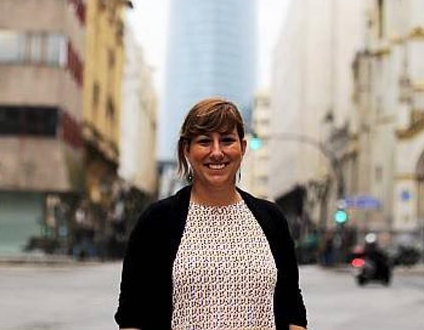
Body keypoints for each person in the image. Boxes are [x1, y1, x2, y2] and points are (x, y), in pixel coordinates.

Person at [115, 97, 308, 330]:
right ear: (187, 149)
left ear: (242, 148)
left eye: (227, 140)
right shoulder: (156, 221)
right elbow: (132, 315)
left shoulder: (271, 219)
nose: (217, 152)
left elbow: (292, 310)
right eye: (205, 141)